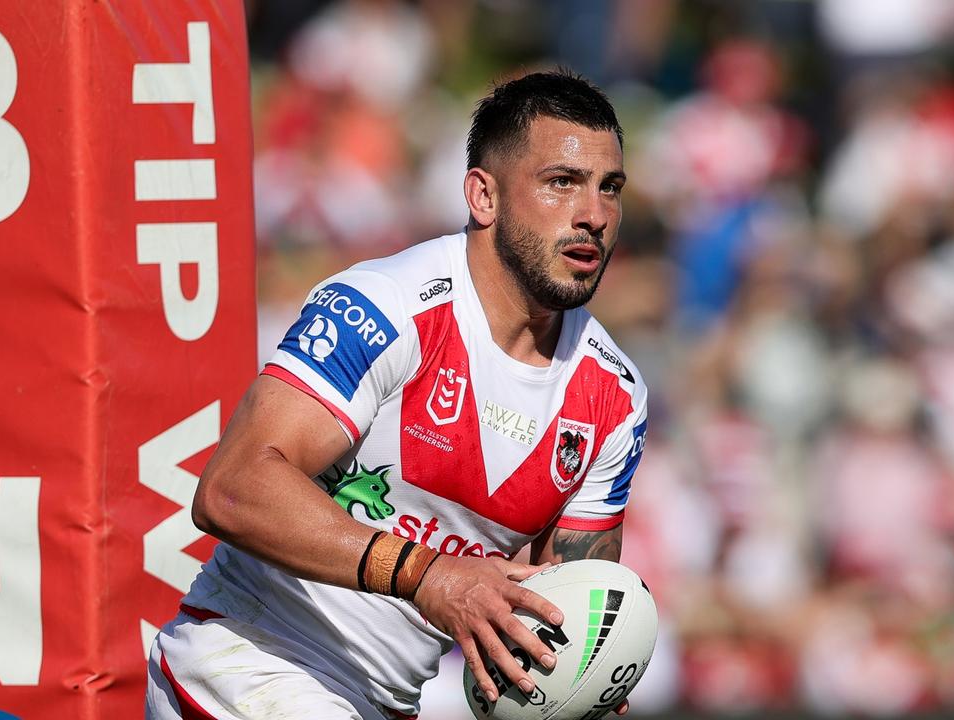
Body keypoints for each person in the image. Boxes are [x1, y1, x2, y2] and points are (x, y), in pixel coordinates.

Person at [146, 69, 648, 720]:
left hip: (382, 704)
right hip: (246, 667)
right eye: (562, 183)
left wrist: (583, 684)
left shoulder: (614, 397)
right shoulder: (382, 307)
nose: (594, 215)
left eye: (610, 189)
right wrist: (430, 574)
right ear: (483, 196)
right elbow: (232, 487)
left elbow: (567, 606)